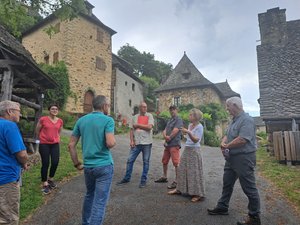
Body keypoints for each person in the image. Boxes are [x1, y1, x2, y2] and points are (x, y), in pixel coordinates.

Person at [207, 97, 261, 225]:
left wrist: (227, 146)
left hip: (244, 158)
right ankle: (222, 206)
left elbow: (242, 139)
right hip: (232, 158)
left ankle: (254, 217)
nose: (227, 109)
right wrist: (223, 141)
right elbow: (227, 134)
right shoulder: (234, 120)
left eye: (228, 106)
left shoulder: (247, 120)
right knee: (227, 183)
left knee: (249, 188)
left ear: (235, 105)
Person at [68, 95, 116, 225]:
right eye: (108, 105)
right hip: (104, 166)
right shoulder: (108, 120)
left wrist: (77, 163)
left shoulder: (81, 120)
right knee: (100, 202)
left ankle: (86, 222)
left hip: (88, 167)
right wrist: (113, 140)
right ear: (104, 106)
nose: (109, 107)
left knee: (89, 195)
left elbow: (71, 145)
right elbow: (110, 143)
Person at [168, 108, 205, 202]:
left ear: (196, 117)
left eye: (191, 115)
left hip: (194, 150)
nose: (189, 116)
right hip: (187, 149)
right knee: (182, 169)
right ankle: (179, 189)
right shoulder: (190, 125)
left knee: (194, 172)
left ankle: (198, 193)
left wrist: (188, 132)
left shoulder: (199, 126)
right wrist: (185, 134)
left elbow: (196, 140)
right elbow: (189, 138)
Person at [0, 100, 28, 225]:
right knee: (8, 219)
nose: (20, 115)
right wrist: (24, 163)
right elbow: (21, 154)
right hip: (6, 178)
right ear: (9, 111)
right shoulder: (9, 126)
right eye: (18, 111)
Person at [116, 102, 154, 188]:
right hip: (137, 143)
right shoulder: (135, 117)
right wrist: (132, 141)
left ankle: (143, 181)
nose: (145, 108)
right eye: (143, 107)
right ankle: (126, 178)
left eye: (146, 107)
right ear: (140, 108)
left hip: (147, 143)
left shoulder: (150, 116)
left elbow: (149, 127)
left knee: (146, 162)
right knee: (130, 160)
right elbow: (131, 130)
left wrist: (138, 125)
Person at [35, 104, 63, 194]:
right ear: (49, 110)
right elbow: (37, 130)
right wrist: (41, 138)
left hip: (55, 144)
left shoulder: (60, 121)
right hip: (44, 144)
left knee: (55, 162)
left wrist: (57, 138)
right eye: (52, 109)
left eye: (56, 109)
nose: (54, 110)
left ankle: (50, 179)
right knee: (45, 163)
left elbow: (59, 131)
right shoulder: (43, 119)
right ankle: (45, 183)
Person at [155, 105, 183, 189]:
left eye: (173, 110)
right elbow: (165, 130)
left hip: (174, 144)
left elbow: (176, 130)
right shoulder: (170, 120)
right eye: (171, 110)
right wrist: (165, 137)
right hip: (168, 144)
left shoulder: (179, 120)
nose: (172, 111)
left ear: (176, 110)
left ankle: (177, 181)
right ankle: (164, 177)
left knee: (176, 162)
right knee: (164, 160)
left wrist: (169, 137)